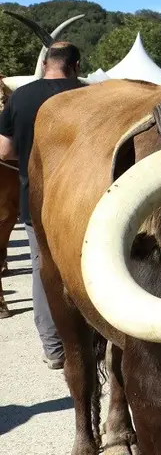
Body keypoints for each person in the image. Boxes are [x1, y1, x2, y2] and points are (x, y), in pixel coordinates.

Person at [0, 41, 85, 370]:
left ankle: (54, 348)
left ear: (47, 62)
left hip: (34, 197)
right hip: (81, 198)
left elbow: (5, 152)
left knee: (43, 270)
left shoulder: (21, 97)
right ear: (75, 65)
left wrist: (34, 161)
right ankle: (87, 340)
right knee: (83, 267)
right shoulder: (86, 94)